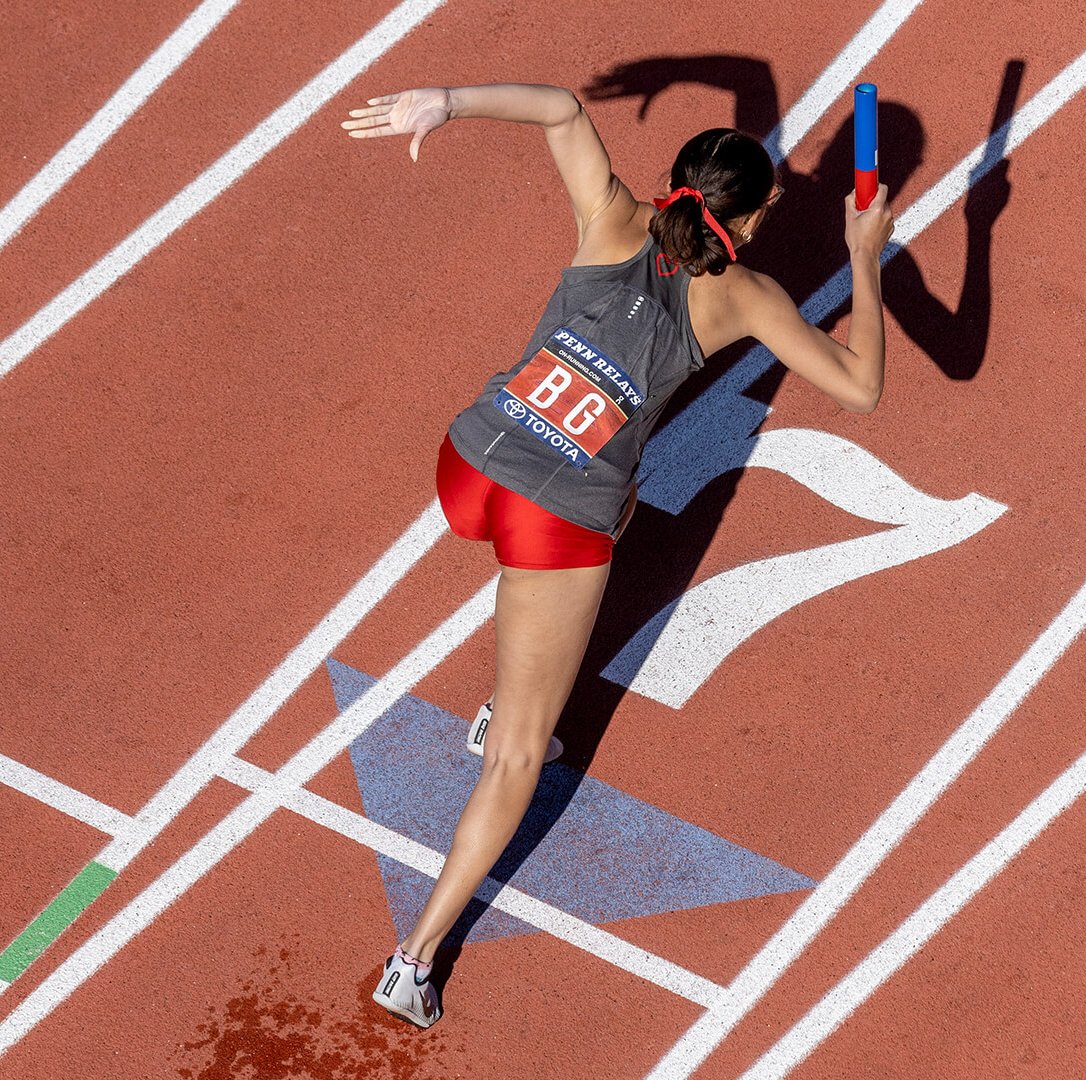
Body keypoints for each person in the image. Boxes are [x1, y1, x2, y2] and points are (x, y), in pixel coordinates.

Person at [342, 83, 894, 1028]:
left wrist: (444, 101)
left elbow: (559, 107)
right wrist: (863, 259)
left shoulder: (609, 215)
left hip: (471, 464)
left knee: (615, 500)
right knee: (521, 754)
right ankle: (415, 958)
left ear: (677, 184)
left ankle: (513, 698)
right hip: (553, 523)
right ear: (753, 219)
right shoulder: (748, 297)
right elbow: (860, 387)